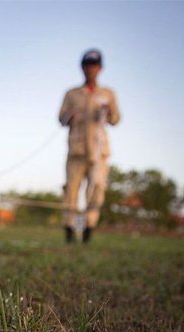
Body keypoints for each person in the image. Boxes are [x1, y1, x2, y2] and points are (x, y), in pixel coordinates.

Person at [58, 48, 121, 244]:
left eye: (93, 66)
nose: (90, 69)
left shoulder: (108, 94)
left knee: (96, 190)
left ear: (100, 68)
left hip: (99, 151)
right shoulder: (72, 94)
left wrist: (108, 111)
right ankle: (69, 232)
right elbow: (61, 118)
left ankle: (88, 230)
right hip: (76, 150)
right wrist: (70, 116)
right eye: (86, 66)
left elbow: (116, 119)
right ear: (82, 68)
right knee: (71, 191)